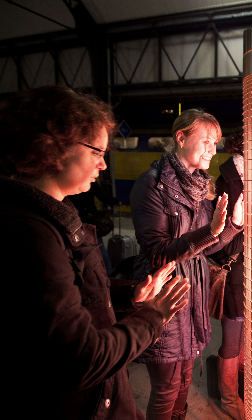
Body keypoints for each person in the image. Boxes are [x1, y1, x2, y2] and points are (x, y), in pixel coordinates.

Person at [0, 86, 191, 420]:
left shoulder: (50, 216)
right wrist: (153, 317)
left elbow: (74, 292)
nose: (104, 165)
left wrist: (131, 293)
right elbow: (83, 358)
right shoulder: (32, 236)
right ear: (52, 147)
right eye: (96, 151)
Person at [130, 109, 244, 420]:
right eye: (206, 141)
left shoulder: (200, 187)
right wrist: (210, 231)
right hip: (164, 292)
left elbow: (206, 248)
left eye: (216, 143)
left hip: (191, 292)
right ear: (181, 138)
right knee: (166, 389)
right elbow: (157, 253)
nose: (213, 149)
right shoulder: (152, 185)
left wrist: (233, 223)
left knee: (183, 382)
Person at [210, 130, 246, 419]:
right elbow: (216, 236)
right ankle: (228, 397)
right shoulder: (228, 180)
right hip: (237, 268)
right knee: (233, 335)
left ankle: (243, 386)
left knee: (250, 334)